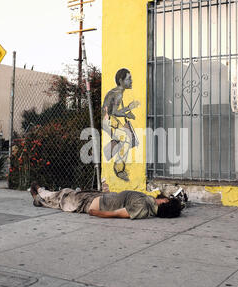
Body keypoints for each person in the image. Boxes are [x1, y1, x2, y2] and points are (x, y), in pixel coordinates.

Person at [29, 182, 182, 220]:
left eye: (167, 198)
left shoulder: (142, 208)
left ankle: (40, 192)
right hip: (96, 196)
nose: (165, 196)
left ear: (165, 203)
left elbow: (118, 213)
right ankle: (39, 196)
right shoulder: (149, 202)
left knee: (63, 196)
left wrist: (96, 213)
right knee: (64, 197)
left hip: (89, 203)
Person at [102, 68, 140, 181]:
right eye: (129, 79)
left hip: (108, 119)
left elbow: (114, 110)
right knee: (126, 138)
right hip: (107, 120)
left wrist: (128, 109)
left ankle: (110, 153)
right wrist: (128, 111)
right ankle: (119, 170)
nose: (131, 81)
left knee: (125, 137)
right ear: (121, 80)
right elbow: (114, 112)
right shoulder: (118, 94)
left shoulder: (116, 92)